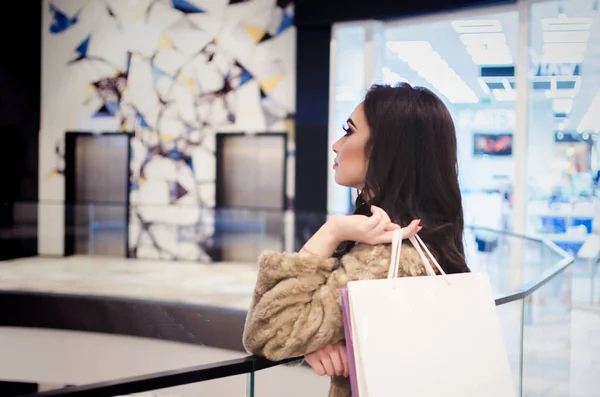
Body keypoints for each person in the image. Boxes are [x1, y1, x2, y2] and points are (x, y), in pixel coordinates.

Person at [242, 83, 470, 397]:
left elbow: (268, 331)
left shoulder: (387, 260)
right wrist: (326, 337)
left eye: (349, 132)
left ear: (388, 149)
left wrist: (333, 230)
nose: (336, 145)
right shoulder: (424, 245)